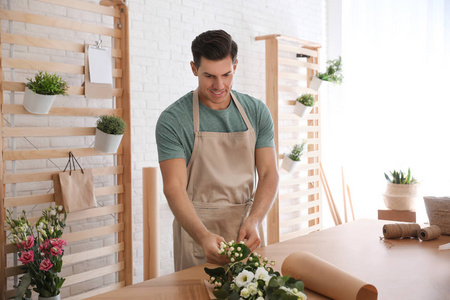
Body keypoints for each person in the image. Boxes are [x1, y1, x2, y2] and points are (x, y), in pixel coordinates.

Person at [155, 29, 279, 271]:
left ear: (235, 66)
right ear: (194, 69)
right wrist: (202, 237)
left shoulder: (256, 112)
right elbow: (174, 188)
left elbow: (268, 174)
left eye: (227, 74)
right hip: (197, 232)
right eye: (209, 76)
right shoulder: (173, 120)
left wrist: (254, 220)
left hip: (247, 229)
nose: (219, 85)